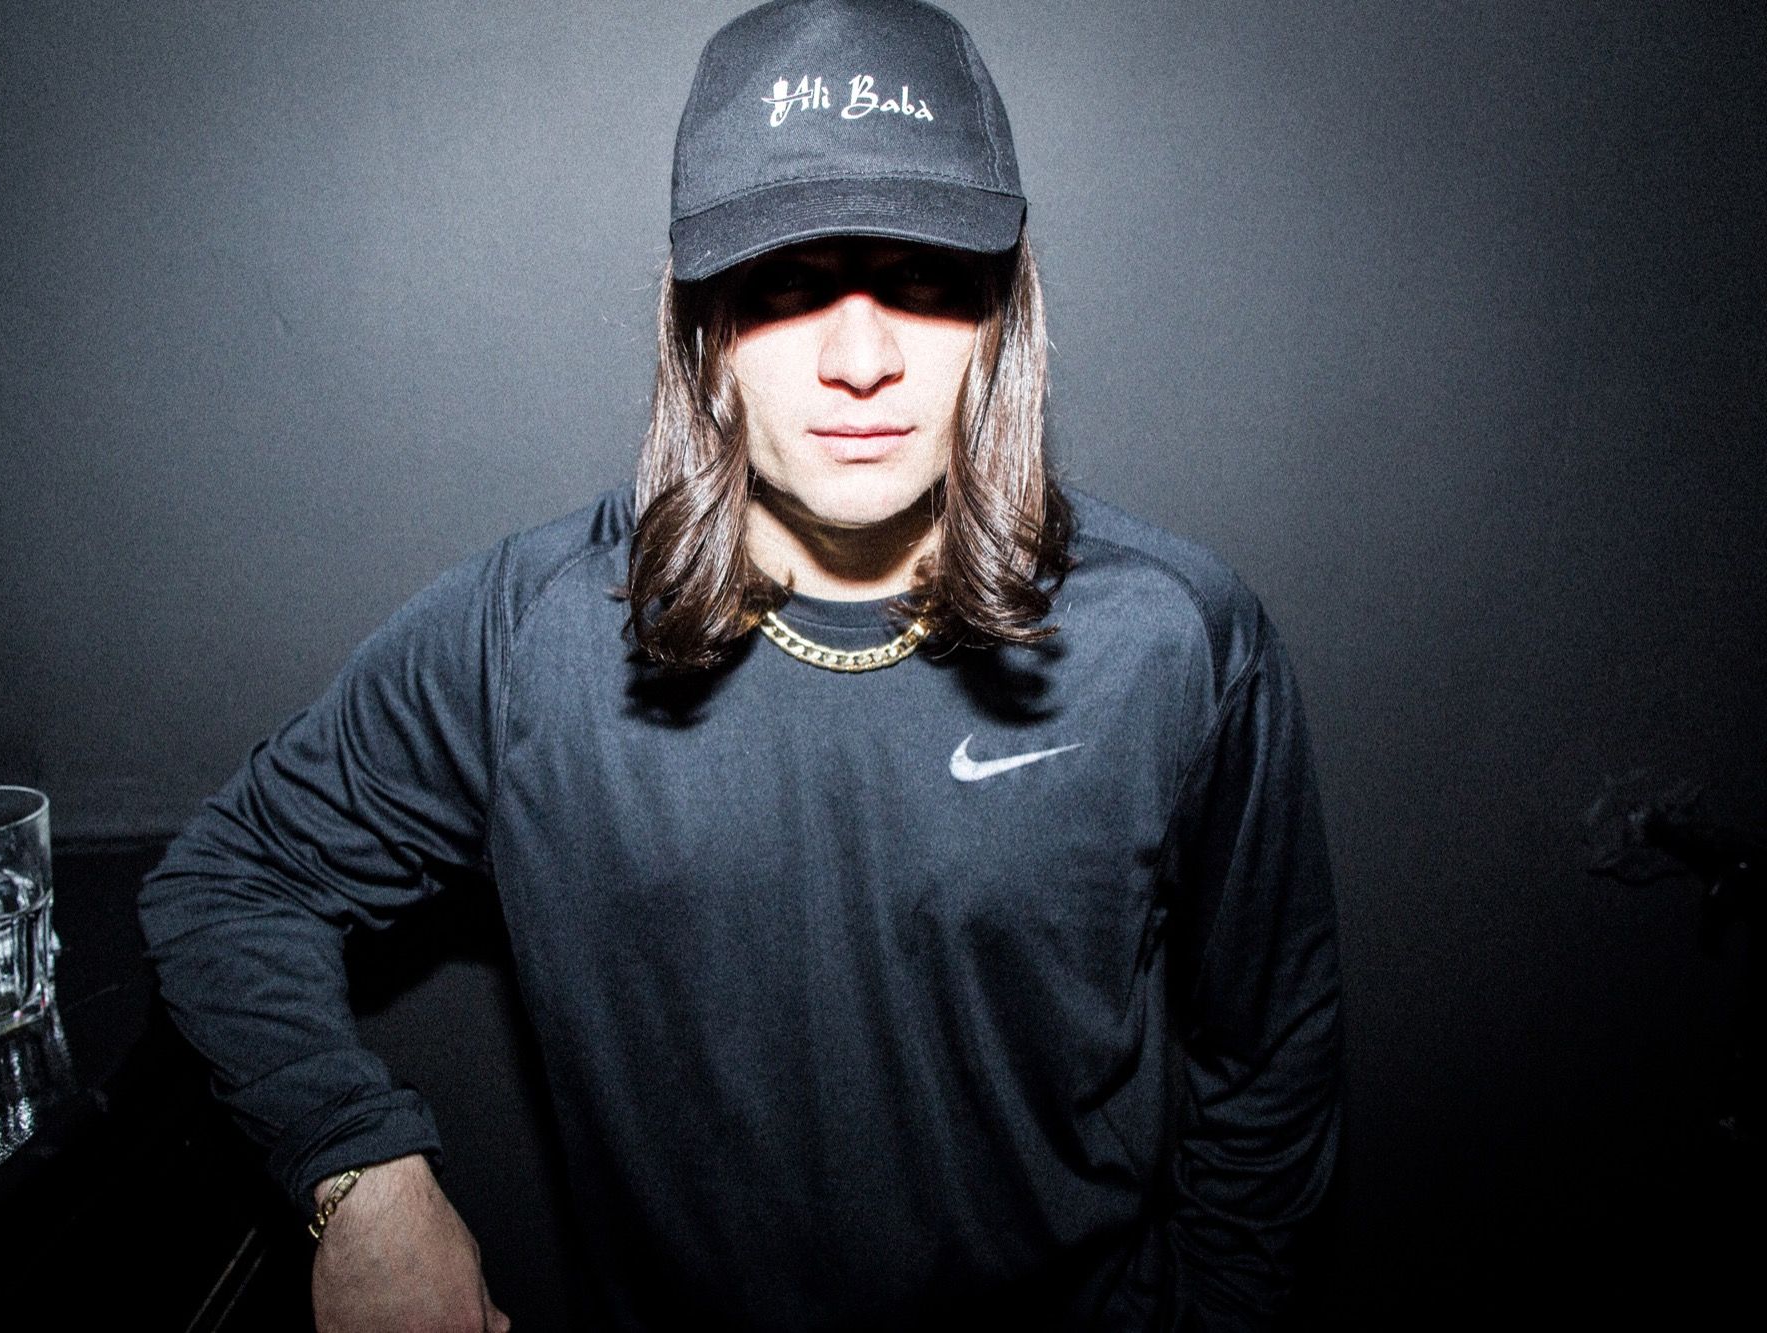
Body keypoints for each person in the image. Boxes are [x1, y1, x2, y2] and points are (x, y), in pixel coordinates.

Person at [139, 1, 1342, 1329]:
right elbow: (229, 879)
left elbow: (1270, 1056)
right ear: (701, 320)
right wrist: (360, 1172)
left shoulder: (1175, 636)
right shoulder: (530, 636)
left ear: (1002, 310)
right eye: (785, 281)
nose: (862, 359)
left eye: (925, 275)